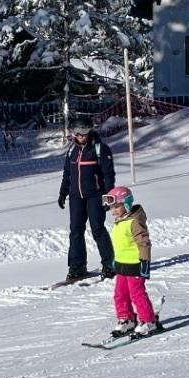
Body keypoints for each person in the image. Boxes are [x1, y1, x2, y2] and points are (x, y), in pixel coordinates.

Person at [58, 121, 116, 282]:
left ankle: (109, 265)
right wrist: (63, 192)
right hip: (76, 196)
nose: (80, 136)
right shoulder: (72, 150)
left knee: (97, 228)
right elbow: (67, 174)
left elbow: (108, 175)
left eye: (84, 133)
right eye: (77, 133)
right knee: (75, 231)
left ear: (89, 132)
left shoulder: (100, 149)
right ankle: (77, 267)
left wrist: (108, 196)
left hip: (95, 195)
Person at [104, 185, 162, 338]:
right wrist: (115, 261)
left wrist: (145, 261)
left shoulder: (134, 222)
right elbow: (121, 245)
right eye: (112, 207)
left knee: (137, 294)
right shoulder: (119, 222)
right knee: (120, 294)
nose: (114, 210)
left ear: (127, 204)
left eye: (117, 206)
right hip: (122, 265)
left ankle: (148, 321)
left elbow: (144, 242)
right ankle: (127, 319)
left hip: (135, 264)